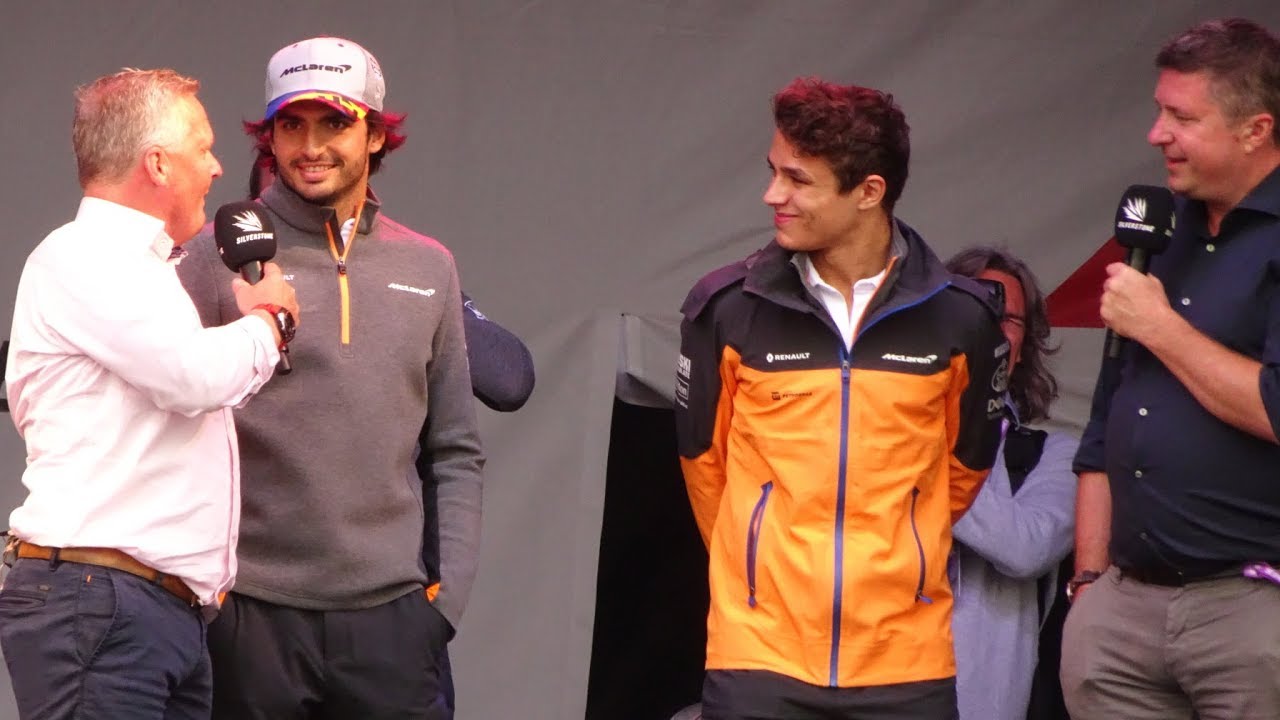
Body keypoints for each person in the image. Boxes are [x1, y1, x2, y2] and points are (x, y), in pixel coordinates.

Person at [674, 76, 1008, 720]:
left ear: (868, 193)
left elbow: (963, 470)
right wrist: (758, 578)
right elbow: (702, 465)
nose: (773, 195)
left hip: (905, 661)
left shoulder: (962, 318)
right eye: (774, 172)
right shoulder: (726, 307)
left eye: (797, 180)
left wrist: (899, 559)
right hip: (759, 656)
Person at [178, 37, 485, 719]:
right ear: (271, 136)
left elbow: (457, 448)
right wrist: (211, 598)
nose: (310, 145)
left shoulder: (429, 267)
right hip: (248, 617)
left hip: (393, 624)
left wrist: (446, 601)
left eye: (334, 123)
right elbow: (168, 421)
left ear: (375, 134)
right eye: (292, 124)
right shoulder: (213, 258)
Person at [0, 68, 298, 720]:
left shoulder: (138, 270)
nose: (219, 167)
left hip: (145, 607)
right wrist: (269, 321)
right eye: (203, 147)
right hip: (101, 598)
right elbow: (193, 377)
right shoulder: (86, 256)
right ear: (158, 164)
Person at [246, 151, 535, 716]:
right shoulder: (230, 274)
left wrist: (441, 608)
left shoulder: (413, 268)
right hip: (259, 606)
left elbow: (511, 380)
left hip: (391, 604)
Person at [1061, 17, 1280, 720]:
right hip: (1121, 605)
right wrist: (1089, 581)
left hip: (1250, 605)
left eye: (1181, 117)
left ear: (1256, 130)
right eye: (1160, 111)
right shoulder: (1161, 230)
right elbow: (1103, 420)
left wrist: (1162, 327)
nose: (1157, 134)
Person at [944, 247, 1078, 720]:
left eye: (1010, 319)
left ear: (1025, 348)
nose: (992, 328)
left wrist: (912, 457)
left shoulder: (1053, 455)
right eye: (977, 308)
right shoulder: (871, 427)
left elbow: (1024, 548)